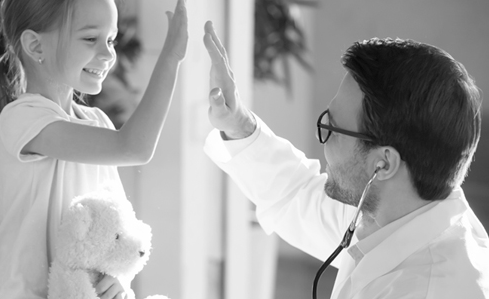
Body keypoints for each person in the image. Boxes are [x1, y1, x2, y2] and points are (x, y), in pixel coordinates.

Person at [202, 21, 489, 298]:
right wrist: (238, 124)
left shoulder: (429, 289)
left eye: (332, 128)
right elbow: (297, 197)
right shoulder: (399, 213)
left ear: (383, 164)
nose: (322, 140)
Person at [0, 0, 187, 299]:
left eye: (110, 40)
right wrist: (169, 59)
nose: (107, 53)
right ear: (35, 46)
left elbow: (114, 232)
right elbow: (133, 147)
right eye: (90, 38)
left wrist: (118, 278)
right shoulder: (21, 118)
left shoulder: (97, 124)